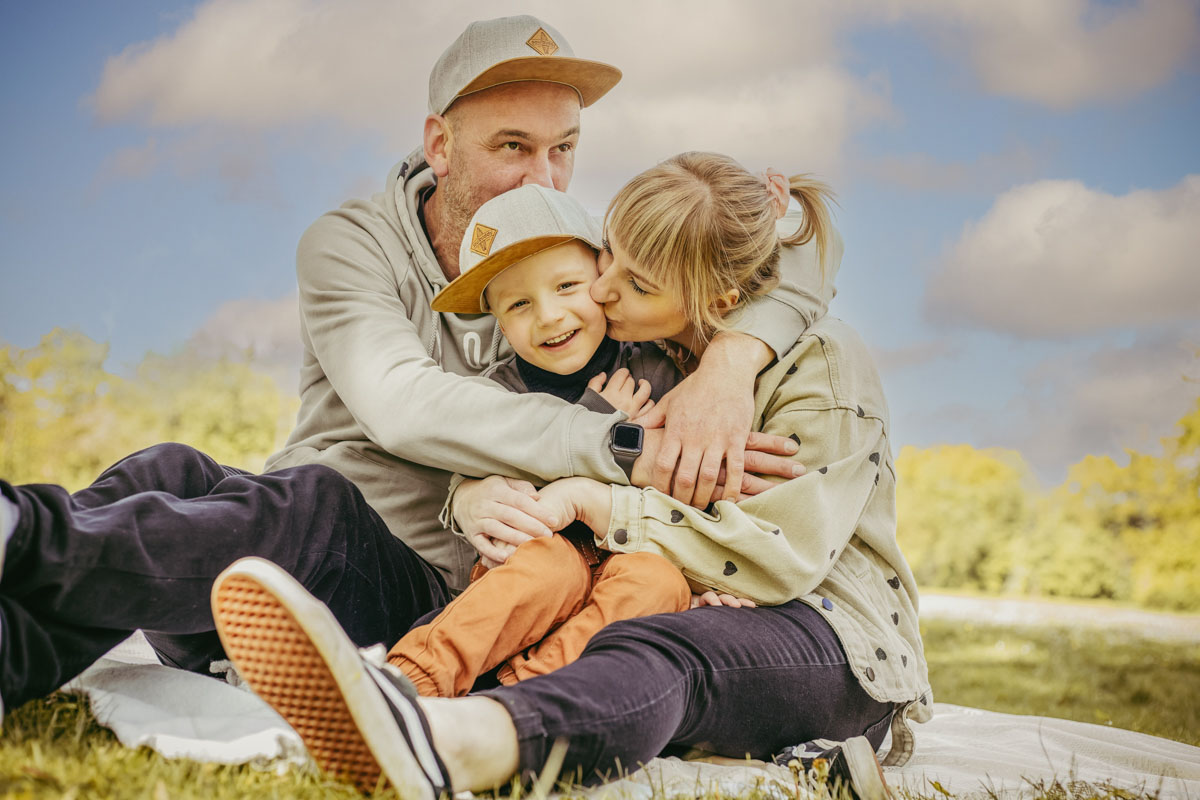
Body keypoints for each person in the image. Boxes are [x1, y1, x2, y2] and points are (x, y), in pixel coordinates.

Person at [0, 16, 811, 719]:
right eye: (512, 147)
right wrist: (617, 448)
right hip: (279, 566)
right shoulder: (349, 242)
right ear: (439, 146)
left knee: (312, 504)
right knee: (170, 469)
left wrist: (732, 362)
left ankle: (23, 544)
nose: (542, 176)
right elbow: (403, 405)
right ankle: (17, 610)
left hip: (426, 590)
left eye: (564, 149)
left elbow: (764, 268)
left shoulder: (582, 259)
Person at [211, 152, 933, 800]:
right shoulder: (649, 341)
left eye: (635, 280)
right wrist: (473, 494)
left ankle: (457, 736)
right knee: (562, 581)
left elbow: (784, 551)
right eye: (607, 255)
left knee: (654, 644)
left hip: (822, 622)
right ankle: (401, 689)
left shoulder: (821, 367)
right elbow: (522, 427)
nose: (603, 291)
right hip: (668, 584)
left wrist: (599, 494)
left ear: (715, 300)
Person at [390, 183, 698, 697]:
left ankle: (517, 700)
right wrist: (600, 419)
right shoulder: (496, 394)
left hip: (640, 547)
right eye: (519, 304)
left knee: (659, 583)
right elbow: (505, 494)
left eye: (567, 287)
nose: (549, 316)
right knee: (549, 566)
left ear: (604, 275)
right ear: (497, 321)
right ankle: (411, 681)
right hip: (541, 561)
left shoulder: (659, 364)